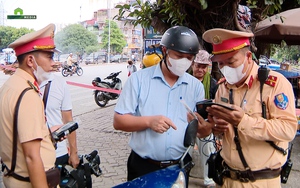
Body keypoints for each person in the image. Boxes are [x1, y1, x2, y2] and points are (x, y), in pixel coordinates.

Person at [113, 25, 212, 181]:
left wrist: (205, 129)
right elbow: (118, 121)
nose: (184, 62)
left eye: (189, 58)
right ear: (165, 51)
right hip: (143, 167)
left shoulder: (196, 87)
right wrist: (148, 121)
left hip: (179, 166)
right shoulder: (138, 81)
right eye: (179, 56)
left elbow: (201, 130)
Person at [202, 28, 298, 187]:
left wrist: (244, 121)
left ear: (248, 57)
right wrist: (214, 128)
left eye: (231, 62)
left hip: (261, 181)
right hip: (226, 179)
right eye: (221, 63)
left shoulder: (274, 84)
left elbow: (288, 129)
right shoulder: (223, 88)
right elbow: (222, 134)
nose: (226, 68)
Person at [0, 23, 57, 187]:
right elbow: (32, 157)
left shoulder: (10, 86)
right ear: (31, 60)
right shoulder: (27, 94)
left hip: (14, 176)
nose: (53, 63)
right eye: (49, 57)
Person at [39, 73, 80, 168]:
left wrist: (74, 152)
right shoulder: (21, 85)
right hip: (33, 155)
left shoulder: (59, 83)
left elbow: (68, 120)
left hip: (58, 152)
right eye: (48, 58)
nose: (53, 63)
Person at [191, 50, 218, 188]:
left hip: (205, 124)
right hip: (186, 123)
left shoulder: (213, 84)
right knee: (183, 152)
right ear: (192, 65)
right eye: (198, 66)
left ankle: (209, 180)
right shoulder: (183, 80)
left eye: (204, 66)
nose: (200, 69)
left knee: (208, 150)